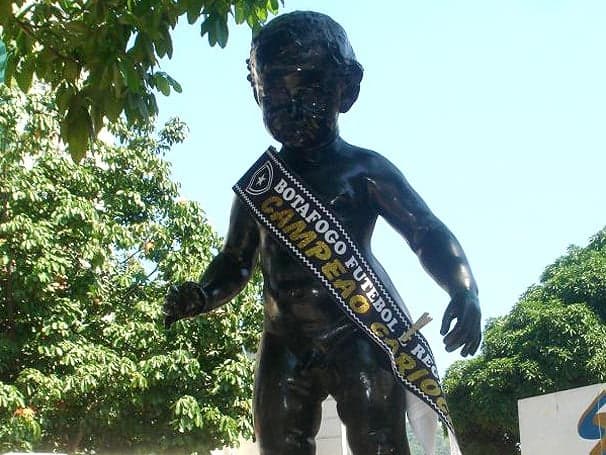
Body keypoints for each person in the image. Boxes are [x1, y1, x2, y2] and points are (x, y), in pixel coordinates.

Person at [164, 11, 481, 455]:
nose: (290, 107)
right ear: (256, 94)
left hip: (360, 331)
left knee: (381, 442)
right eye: (273, 94)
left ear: (346, 90)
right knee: (277, 443)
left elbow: (425, 231)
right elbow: (236, 261)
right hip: (284, 341)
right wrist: (202, 294)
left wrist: (463, 289)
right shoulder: (260, 187)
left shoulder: (365, 170)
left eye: (307, 91)